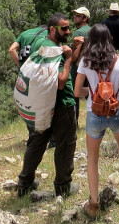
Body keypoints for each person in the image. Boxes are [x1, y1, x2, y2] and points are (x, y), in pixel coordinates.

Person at [74, 23, 119, 219]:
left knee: (92, 158)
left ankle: (94, 204)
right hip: (117, 111)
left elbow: (77, 92)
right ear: (110, 39)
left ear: (91, 41)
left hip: (95, 114)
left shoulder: (85, 61)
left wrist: (91, 92)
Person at [17, 13, 84, 198]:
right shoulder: (53, 50)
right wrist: (69, 58)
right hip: (62, 103)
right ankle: (63, 187)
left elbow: (55, 57)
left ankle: (24, 184)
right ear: (52, 29)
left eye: (69, 27)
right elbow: (61, 82)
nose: (68, 31)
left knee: (37, 142)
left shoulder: (42, 44)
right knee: (66, 145)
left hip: (42, 104)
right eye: (64, 28)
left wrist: (71, 48)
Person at [70, 7, 92, 120]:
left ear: (85, 18)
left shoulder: (79, 32)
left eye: (78, 15)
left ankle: (74, 122)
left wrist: (70, 61)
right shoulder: (92, 30)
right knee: (91, 93)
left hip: (78, 68)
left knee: (75, 95)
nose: (75, 17)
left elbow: (75, 55)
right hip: (92, 67)